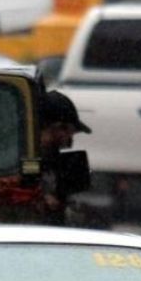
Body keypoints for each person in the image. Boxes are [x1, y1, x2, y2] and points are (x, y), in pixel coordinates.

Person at [37, 89, 92, 225]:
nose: (69, 139)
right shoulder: (15, 160)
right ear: (58, 127)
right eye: (69, 131)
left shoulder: (53, 160)